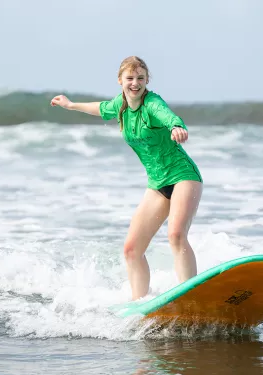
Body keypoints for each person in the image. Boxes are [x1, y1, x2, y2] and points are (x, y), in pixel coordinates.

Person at [50, 56, 203, 300]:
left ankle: (193, 295)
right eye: (130, 78)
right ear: (120, 81)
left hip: (182, 175)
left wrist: (176, 127)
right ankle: (140, 304)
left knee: (176, 234)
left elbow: (167, 116)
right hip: (157, 183)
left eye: (140, 78)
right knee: (132, 250)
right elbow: (100, 108)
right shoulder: (120, 105)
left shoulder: (151, 103)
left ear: (147, 80)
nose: (135, 83)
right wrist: (70, 105)